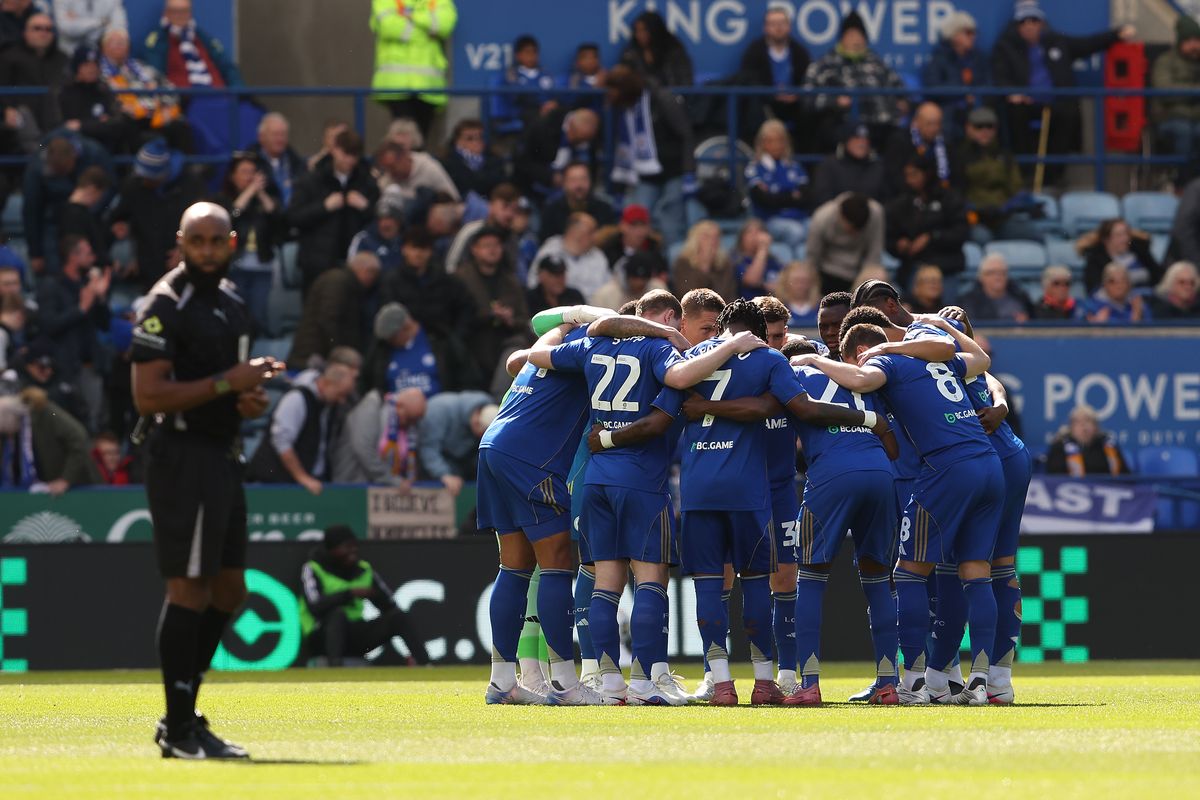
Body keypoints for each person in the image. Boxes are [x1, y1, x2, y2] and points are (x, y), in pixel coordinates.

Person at [527, 292, 761, 705]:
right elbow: (679, 379)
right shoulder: (658, 349)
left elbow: (534, 357)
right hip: (641, 480)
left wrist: (571, 322)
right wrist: (731, 343)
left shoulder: (592, 344)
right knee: (651, 581)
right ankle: (644, 685)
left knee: (605, 583)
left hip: (597, 478)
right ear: (666, 319)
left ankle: (609, 683)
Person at [672, 299, 888, 705]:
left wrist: (704, 407)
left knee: (710, 583)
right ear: (756, 332)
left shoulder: (691, 357)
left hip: (700, 487)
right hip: (746, 489)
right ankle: (764, 680)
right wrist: (868, 421)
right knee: (756, 582)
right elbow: (792, 406)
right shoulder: (771, 361)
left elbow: (676, 401)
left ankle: (721, 682)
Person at [130, 202, 283, 758]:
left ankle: (185, 715)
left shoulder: (233, 305)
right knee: (189, 589)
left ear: (234, 242)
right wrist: (228, 382)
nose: (208, 250)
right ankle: (178, 727)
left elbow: (229, 390)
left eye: (217, 240)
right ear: (181, 242)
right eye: (198, 241)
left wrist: (247, 398)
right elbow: (147, 395)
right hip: (180, 453)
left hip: (221, 451)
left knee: (229, 590)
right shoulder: (165, 304)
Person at [796, 314, 1001, 706]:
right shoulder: (943, 362)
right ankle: (982, 682)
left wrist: (815, 360)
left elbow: (858, 380)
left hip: (947, 468)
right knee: (976, 572)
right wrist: (945, 328)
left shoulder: (888, 362)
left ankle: (914, 681)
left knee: (908, 573)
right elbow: (981, 358)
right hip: (988, 466)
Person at [927, 307, 1031, 705]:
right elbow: (992, 382)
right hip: (1009, 455)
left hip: (974, 462)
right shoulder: (969, 366)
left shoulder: (922, 361)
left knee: (955, 567)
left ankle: (946, 676)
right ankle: (996, 679)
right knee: (999, 565)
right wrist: (1001, 403)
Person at [992, 2, 1134, 184]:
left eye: (1034, 20)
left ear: (1041, 23)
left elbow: (1087, 44)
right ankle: (1025, 175)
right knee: (1015, 112)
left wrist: (1115, 35)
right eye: (1023, 22)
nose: (1029, 26)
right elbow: (1000, 76)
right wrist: (1013, 93)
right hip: (1026, 103)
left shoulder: (1057, 41)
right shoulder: (1006, 48)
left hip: (1055, 103)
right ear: (1017, 26)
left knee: (1068, 113)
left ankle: (1054, 177)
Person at [300, 525, 429, 666]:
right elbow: (315, 606)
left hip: (354, 638)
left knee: (398, 617)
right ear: (332, 549)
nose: (353, 551)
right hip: (321, 639)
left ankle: (425, 664)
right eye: (346, 547)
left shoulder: (364, 569)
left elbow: (390, 606)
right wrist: (349, 594)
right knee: (337, 615)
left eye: (354, 546)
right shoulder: (313, 568)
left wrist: (374, 596)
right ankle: (335, 668)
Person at [604, 64, 700, 247]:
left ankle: (673, 268)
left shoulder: (662, 99)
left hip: (674, 172)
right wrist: (618, 189)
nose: (610, 95)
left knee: (670, 223)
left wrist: (689, 172)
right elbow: (624, 148)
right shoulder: (624, 109)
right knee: (636, 220)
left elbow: (686, 134)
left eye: (613, 89)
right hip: (646, 176)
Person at [287, 129, 379, 296]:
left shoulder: (366, 181)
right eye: (346, 154)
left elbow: (381, 221)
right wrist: (324, 207)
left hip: (354, 263)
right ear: (334, 150)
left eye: (354, 156)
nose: (350, 160)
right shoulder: (312, 180)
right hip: (317, 263)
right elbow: (293, 217)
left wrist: (365, 207)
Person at [110, 138, 208, 290]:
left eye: (148, 177)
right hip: (145, 268)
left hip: (182, 269)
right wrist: (121, 227)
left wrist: (185, 249)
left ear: (162, 174)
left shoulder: (190, 185)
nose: (143, 180)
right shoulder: (134, 186)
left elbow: (204, 225)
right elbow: (116, 218)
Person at [246, 360, 358, 493]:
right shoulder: (297, 398)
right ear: (327, 383)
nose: (342, 401)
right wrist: (302, 477)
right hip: (276, 484)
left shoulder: (327, 405)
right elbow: (281, 440)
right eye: (341, 394)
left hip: (306, 482)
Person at [804, 11, 907, 151]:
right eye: (851, 35)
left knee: (900, 140)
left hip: (881, 123)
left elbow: (898, 86)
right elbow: (807, 98)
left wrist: (902, 100)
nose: (856, 40)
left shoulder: (876, 62)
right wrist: (834, 102)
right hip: (845, 123)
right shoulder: (824, 64)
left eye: (860, 35)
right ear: (842, 39)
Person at [35, 235, 109, 432]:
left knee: (94, 424)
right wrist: (80, 309)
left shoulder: (88, 285)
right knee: (67, 427)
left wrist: (100, 298)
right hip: (63, 368)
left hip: (90, 366)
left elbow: (104, 324)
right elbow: (48, 324)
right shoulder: (52, 285)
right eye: (88, 254)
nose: (93, 258)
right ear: (73, 257)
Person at [377, 225, 476, 348]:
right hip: (402, 345)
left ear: (430, 251)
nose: (418, 253)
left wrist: (456, 339)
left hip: (441, 346)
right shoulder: (391, 281)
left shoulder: (445, 280)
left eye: (423, 248)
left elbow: (466, 307)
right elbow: (387, 313)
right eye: (414, 248)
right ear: (404, 249)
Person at [369, 0, 457, 135]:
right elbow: (389, 27)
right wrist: (426, 30)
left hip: (428, 85)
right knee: (403, 141)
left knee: (420, 141)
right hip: (396, 84)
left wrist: (412, 16)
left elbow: (444, 25)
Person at [885, 156, 968, 294]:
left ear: (927, 174)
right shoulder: (901, 203)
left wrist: (932, 237)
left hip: (946, 266)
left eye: (914, 175)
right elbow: (890, 236)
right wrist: (899, 244)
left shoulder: (949, 199)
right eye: (907, 175)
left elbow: (961, 233)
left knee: (945, 313)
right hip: (913, 267)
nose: (909, 180)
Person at [220, 154, 283, 334]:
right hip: (235, 266)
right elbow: (229, 217)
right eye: (244, 172)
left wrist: (260, 193)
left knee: (258, 314)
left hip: (262, 267)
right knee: (235, 314)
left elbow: (278, 219)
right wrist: (248, 193)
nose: (249, 177)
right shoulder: (224, 198)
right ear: (233, 176)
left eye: (253, 172)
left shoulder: (265, 199)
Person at [98, 27, 188, 152]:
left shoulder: (142, 68)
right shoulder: (99, 74)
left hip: (155, 117)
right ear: (104, 48)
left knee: (180, 127)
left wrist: (166, 105)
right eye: (113, 43)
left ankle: (189, 168)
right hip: (129, 122)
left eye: (122, 43)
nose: (118, 46)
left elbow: (169, 88)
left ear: (128, 47)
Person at [957, 106, 1038, 244]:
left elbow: (1016, 188)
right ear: (968, 128)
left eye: (989, 126)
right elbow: (957, 192)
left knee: (1035, 234)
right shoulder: (959, 156)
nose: (985, 131)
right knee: (982, 238)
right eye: (979, 126)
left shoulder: (1005, 156)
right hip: (975, 218)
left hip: (1003, 217)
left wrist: (1010, 204)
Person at [456, 226, 529, 378]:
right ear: (474, 249)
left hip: (504, 341)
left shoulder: (511, 280)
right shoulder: (460, 278)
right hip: (473, 341)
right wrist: (489, 315)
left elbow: (524, 319)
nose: (493, 250)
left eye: (496, 245)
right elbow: (455, 317)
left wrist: (510, 320)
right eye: (487, 246)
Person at [287, 252, 381, 369]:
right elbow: (328, 319)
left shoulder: (344, 282)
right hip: (313, 356)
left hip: (318, 353)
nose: (372, 280)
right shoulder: (338, 282)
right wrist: (338, 354)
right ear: (367, 271)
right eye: (373, 274)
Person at [332, 386, 426, 486]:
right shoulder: (372, 406)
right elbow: (364, 449)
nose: (411, 424)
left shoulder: (408, 426)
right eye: (409, 418)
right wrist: (392, 479)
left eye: (415, 420)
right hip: (353, 485)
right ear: (400, 406)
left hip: (383, 488)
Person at [737, 7, 811, 129]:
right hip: (765, 104)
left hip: (794, 105)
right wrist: (771, 95)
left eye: (782, 23)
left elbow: (808, 79)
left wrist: (797, 95)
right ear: (765, 28)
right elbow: (747, 79)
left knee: (809, 112)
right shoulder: (754, 51)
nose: (778, 28)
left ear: (789, 26)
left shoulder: (800, 52)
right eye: (773, 24)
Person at [142, 0, 243, 88]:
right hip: (186, 99)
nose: (180, 16)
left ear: (190, 13)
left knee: (250, 109)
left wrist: (239, 94)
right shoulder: (158, 40)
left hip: (221, 95)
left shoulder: (202, 37)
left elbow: (227, 66)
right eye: (175, 12)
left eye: (184, 11)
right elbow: (155, 73)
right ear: (166, 13)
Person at [921, 11, 989, 137]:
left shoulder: (978, 58)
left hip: (975, 107)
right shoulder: (939, 59)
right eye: (968, 32)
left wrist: (974, 95)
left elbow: (988, 82)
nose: (973, 37)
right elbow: (932, 88)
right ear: (954, 35)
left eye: (974, 33)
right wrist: (963, 92)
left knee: (987, 118)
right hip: (950, 110)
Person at [416, 389, 496, 497]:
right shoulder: (439, 410)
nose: (480, 437)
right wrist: (444, 474)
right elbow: (429, 449)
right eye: (481, 434)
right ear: (476, 421)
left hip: (461, 474)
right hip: (431, 476)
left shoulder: (490, 413)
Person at [0, 12, 67, 135]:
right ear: (25, 32)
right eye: (37, 28)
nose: (43, 33)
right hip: (22, 122)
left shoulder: (62, 59)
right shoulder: (9, 57)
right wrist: (6, 109)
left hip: (58, 121)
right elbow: (3, 87)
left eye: (48, 29)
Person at [514, 107, 600, 202]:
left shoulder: (587, 138)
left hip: (571, 195)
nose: (579, 144)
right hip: (535, 190)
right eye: (577, 139)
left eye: (583, 141)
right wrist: (550, 177)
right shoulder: (540, 128)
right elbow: (522, 161)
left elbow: (592, 167)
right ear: (570, 125)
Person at [745, 119, 809, 248]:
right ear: (761, 143)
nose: (775, 145)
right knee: (795, 232)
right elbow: (764, 200)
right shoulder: (755, 168)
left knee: (816, 227)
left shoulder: (795, 167)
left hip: (799, 217)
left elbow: (807, 197)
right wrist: (792, 195)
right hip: (770, 220)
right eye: (770, 141)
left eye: (779, 140)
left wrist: (777, 196)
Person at [806, 192, 884, 294]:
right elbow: (813, 256)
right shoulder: (822, 217)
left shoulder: (876, 213)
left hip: (859, 272)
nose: (854, 234)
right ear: (840, 216)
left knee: (877, 276)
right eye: (851, 230)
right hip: (826, 271)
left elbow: (874, 253)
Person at [58, 43, 130, 154]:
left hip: (102, 147)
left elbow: (117, 122)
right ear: (77, 67)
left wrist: (82, 125)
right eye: (86, 65)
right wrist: (99, 123)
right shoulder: (63, 91)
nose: (92, 69)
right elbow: (62, 126)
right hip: (69, 148)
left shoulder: (104, 90)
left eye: (95, 65)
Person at [883, 102, 958, 198]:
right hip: (906, 198)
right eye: (929, 123)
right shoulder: (900, 142)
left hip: (941, 199)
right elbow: (893, 176)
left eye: (938, 123)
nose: (934, 128)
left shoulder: (946, 145)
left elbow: (956, 177)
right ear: (917, 121)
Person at [1152, 15, 1200, 161]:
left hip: (1197, 117)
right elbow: (1164, 90)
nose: (1194, 46)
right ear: (1180, 42)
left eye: (1197, 41)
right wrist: (1195, 91)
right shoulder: (1165, 61)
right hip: (1171, 116)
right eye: (1189, 41)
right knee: (1184, 131)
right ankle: (1183, 181)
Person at [528, 212, 608, 301]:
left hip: (593, 310)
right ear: (576, 233)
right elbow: (533, 282)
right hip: (559, 307)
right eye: (591, 232)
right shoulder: (551, 249)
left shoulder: (598, 256)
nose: (595, 237)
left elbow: (607, 290)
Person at [445, 182, 519, 274]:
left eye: (514, 210)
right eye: (505, 206)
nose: (509, 214)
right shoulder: (471, 231)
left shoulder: (512, 239)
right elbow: (451, 266)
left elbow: (511, 274)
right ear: (491, 205)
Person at [810, 122, 886, 210]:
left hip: (869, 216)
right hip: (837, 215)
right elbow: (821, 197)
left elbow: (886, 198)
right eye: (856, 138)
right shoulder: (829, 165)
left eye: (865, 139)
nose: (862, 143)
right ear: (846, 141)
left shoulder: (877, 167)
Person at [491, 34, 556, 133]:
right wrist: (541, 105)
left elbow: (554, 95)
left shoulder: (546, 75)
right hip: (522, 114)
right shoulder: (511, 75)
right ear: (518, 55)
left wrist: (553, 103)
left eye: (534, 52)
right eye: (527, 52)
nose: (531, 56)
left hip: (546, 115)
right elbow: (517, 97)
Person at [1079, 218, 1162, 295]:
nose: (1125, 239)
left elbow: (1159, 277)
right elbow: (1095, 291)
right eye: (1118, 235)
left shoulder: (1141, 252)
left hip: (1151, 300)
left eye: (1126, 234)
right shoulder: (1095, 261)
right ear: (1106, 239)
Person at [539, 161, 617, 243]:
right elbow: (545, 243)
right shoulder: (551, 211)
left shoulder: (604, 209)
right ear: (564, 183)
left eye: (583, 179)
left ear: (590, 181)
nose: (579, 185)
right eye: (573, 180)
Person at [1044, 404, 1130, 476]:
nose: (1083, 426)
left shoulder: (1110, 446)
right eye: (1078, 422)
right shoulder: (1059, 447)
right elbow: (1053, 480)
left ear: (1096, 427)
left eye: (1088, 421)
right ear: (1071, 427)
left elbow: (1126, 477)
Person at [620, 10, 693, 87]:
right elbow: (623, 82)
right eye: (637, 31)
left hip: (671, 97)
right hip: (640, 97)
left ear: (654, 30)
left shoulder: (674, 53)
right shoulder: (630, 55)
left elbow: (685, 82)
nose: (639, 35)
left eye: (644, 30)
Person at [248, 112, 306, 206]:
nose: (280, 139)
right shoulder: (251, 163)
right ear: (261, 137)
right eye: (275, 134)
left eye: (283, 134)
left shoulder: (296, 162)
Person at [440, 118, 505, 199]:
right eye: (470, 138)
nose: (476, 142)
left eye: (480, 137)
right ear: (457, 141)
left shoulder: (495, 160)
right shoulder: (447, 162)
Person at [671, 220, 736, 301]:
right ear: (696, 240)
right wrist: (705, 265)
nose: (713, 241)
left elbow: (727, 295)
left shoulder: (725, 264)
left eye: (716, 237)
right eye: (707, 237)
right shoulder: (683, 263)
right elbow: (687, 296)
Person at [959, 254, 1033, 322]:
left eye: (1002, 272)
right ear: (981, 277)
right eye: (991, 273)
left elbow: (1035, 322)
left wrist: (1026, 320)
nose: (998, 277)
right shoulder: (969, 302)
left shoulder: (1020, 298)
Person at [590, 251, 667, 312]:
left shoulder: (659, 290)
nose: (639, 283)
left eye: (643, 279)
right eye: (635, 278)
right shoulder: (604, 295)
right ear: (627, 276)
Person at [598, 203, 662, 273]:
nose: (639, 231)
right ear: (622, 226)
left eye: (643, 225)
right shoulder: (609, 250)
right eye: (634, 225)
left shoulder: (654, 251)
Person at [1079, 261, 1150, 324]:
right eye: (1112, 281)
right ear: (1104, 284)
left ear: (1129, 284)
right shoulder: (1091, 307)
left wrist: (1136, 314)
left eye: (1123, 280)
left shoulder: (1138, 305)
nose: (1119, 285)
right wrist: (1095, 328)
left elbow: (1151, 333)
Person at [730, 218, 783, 301]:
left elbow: (785, 285)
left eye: (759, 232)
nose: (754, 237)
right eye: (749, 232)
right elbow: (752, 280)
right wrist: (763, 249)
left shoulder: (773, 261)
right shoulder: (735, 259)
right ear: (741, 238)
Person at [53, 0, 126, 56]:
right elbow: (67, 29)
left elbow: (118, 29)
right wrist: (101, 22)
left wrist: (78, 22)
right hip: (67, 54)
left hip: (98, 55)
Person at [348, 201, 405, 273]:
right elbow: (352, 267)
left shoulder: (406, 240)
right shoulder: (364, 239)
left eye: (390, 219)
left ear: (399, 223)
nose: (385, 224)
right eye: (381, 219)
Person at [816, 291, 852, 357]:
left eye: (838, 325)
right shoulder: (815, 362)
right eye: (824, 327)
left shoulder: (873, 360)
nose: (830, 333)